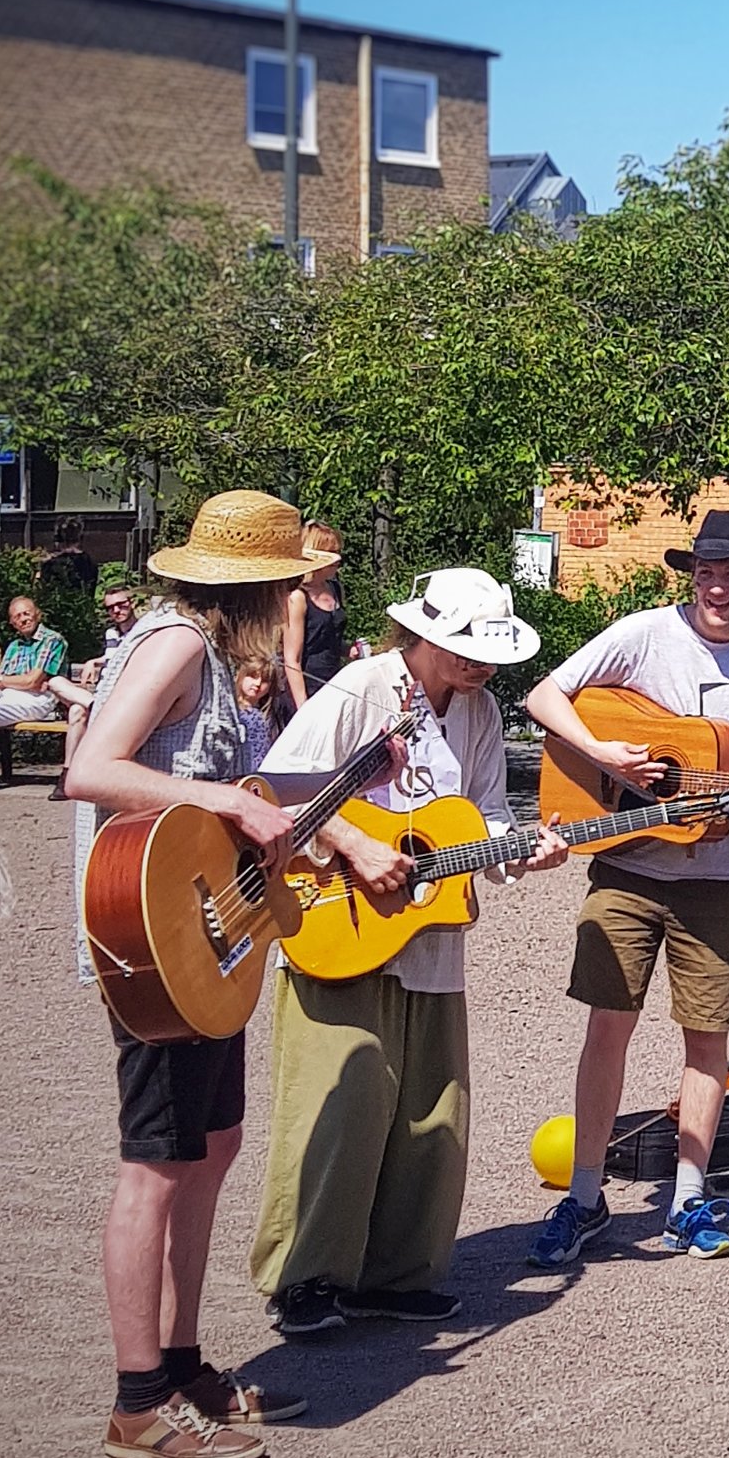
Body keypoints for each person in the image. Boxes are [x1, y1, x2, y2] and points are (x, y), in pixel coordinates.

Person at [68, 491, 395, 1458]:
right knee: (156, 1161)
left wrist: (320, 822)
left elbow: (241, 812)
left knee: (211, 1145)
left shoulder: (217, 660)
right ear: (259, 583)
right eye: (289, 583)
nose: (299, 599)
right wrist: (220, 797)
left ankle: (183, 1366)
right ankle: (137, 1403)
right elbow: (93, 769)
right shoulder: (170, 644)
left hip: (209, 938)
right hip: (152, 939)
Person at [252, 568, 567, 1335]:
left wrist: (518, 851)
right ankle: (307, 1277)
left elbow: (483, 817)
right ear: (421, 637)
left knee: (432, 1110)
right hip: (337, 915)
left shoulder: (483, 711)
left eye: (487, 653)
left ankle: (394, 1273)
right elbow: (274, 788)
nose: (478, 666)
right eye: (464, 649)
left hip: (430, 931)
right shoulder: (362, 688)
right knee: (340, 1104)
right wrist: (357, 844)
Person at [522, 511, 729, 1271]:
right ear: (692, 577)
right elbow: (543, 696)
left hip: (722, 879)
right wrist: (604, 756)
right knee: (608, 1026)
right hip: (626, 864)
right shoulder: (642, 634)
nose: (718, 588)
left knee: (707, 1037)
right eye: (706, 574)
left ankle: (688, 1195)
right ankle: (585, 1195)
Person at [52, 584, 142, 798]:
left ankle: (66, 776)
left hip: (122, 697)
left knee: (75, 710)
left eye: (121, 605)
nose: (116, 611)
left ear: (133, 603)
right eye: (110, 608)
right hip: (101, 695)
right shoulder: (111, 633)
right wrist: (95, 661)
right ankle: (68, 772)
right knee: (57, 685)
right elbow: (114, 657)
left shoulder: (142, 632)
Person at [0, 592, 69, 778]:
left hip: (40, 702)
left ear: (37, 614)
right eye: (17, 617)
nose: (23, 619)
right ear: (12, 623)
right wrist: (10, 681)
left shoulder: (52, 640)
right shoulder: (14, 646)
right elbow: (1, 679)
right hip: (9, 699)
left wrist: (5, 680)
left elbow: (33, 681)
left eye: (26, 613)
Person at [281, 524, 349, 709]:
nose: (338, 558)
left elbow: (326, 638)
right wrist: (303, 707)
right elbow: (291, 659)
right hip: (305, 688)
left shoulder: (335, 588)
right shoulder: (297, 597)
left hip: (333, 683)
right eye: (331, 552)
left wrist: (349, 650)